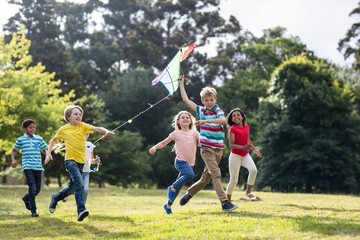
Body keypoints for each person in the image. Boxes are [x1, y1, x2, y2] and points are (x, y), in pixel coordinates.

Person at [178, 75, 238, 211]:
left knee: (205, 178)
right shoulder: (201, 110)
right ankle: (225, 203)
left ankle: (189, 193)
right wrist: (182, 84)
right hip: (206, 149)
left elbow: (223, 121)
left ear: (215, 100)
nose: (209, 102)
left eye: (211, 100)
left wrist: (204, 121)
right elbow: (186, 100)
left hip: (218, 150)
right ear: (203, 101)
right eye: (206, 100)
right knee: (216, 173)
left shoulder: (218, 110)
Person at [44, 105, 114, 221]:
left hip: (82, 163)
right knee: (80, 183)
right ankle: (81, 210)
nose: (79, 116)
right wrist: (48, 153)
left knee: (71, 189)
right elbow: (53, 140)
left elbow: (97, 128)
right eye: (76, 114)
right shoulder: (64, 129)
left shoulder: (83, 126)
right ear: (68, 117)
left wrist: (106, 131)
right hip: (70, 161)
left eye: (80, 114)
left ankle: (55, 197)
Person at [149, 111, 200, 214]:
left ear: (191, 120)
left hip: (190, 163)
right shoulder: (175, 133)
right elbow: (164, 143)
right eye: (183, 118)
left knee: (179, 186)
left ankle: (168, 205)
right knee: (190, 175)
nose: (185, 119)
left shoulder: (195, 133)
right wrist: (154, 147)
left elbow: (202, 142)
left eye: (187, 117)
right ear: (178, 121)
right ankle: (172, 187)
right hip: (181, 162)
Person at [11, 119, 48, 217]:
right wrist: (13, 160)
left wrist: (48, 155)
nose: (33, 129)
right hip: (28, 166)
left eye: (34, 127)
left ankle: (26, 198)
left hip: (38, 166)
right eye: (30, 127)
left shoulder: (38, 139)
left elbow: (44, 149)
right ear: (24, 129)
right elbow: (13, 150)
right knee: (32, 188)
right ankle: (33, 210)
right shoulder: (20, 140)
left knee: (37, 189)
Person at [225, 108, 262, 202]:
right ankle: (227, 200)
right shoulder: (232, 129)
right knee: (234, 181)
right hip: (235, 157)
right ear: (232, 119)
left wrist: (254, 149)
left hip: (245, 155)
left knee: (253, 170)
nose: (236, 117)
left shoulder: (246, 127)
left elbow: (247, 139)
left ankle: (248, 192)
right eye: (234, 116)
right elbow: (232, 145)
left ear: (242, 117)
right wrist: (244, 147)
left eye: (238, 115)